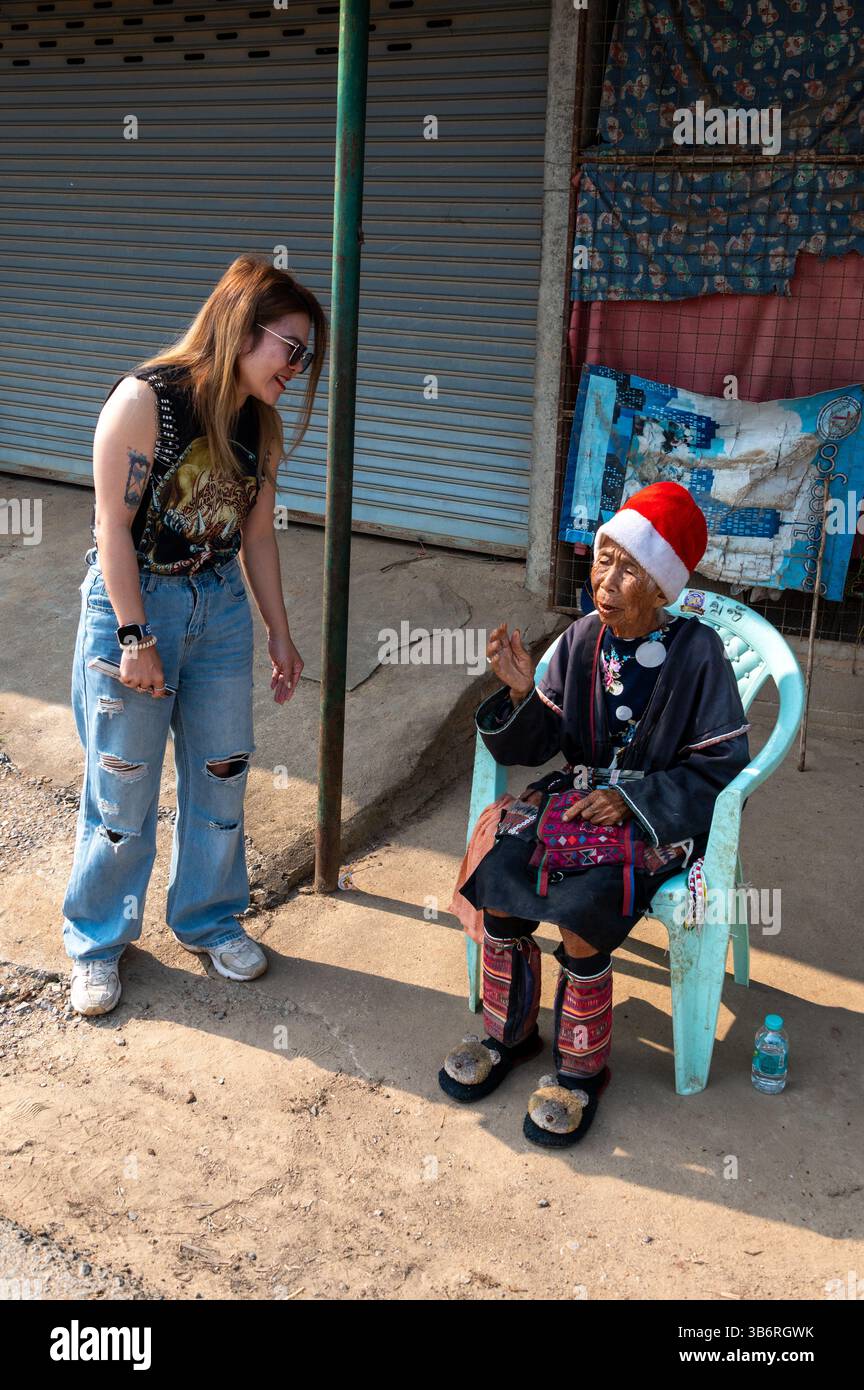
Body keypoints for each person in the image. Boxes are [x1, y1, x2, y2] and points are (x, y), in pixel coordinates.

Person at [439, 481, 752, 1146]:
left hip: (650, 823)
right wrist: (524, 693)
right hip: (572, 802)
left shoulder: (699, 656)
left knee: (585, 916)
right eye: (604, 558)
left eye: (629, 567)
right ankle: (509, 1034)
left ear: (663, 587)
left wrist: (633, 800)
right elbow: (541, 743)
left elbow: (722, 769)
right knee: (503, 880)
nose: (606, 580)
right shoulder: (584, 639)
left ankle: (580, 1075)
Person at [62, 254, 327, 1017]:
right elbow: (111, 525)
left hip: (218, 608)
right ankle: (97, 942)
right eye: (292, 348)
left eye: (307, 355)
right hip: (136, 603)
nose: (300, 368)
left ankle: (208, 919)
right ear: (244, 330)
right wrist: (136, 636)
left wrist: (280, 634)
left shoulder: (259, 423)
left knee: (221, 772)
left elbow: (258, 537)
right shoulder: (147, 402)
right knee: (123, 784)